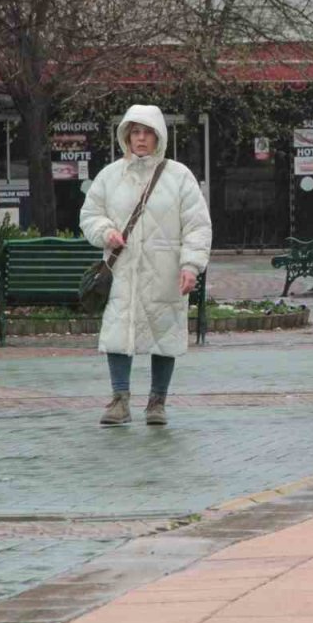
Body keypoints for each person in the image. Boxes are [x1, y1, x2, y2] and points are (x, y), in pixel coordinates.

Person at [81, 105, 212, 427]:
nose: (140, 139)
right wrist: (105, 232)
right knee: (117, 332)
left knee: (164, 333)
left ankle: (157, 402)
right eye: (135, 132)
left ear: (158, 137)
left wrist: (191, 266)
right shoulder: (110, 175)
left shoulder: (179, 176)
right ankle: (119, 400)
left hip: (165, 270)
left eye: (147, 133)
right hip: (122, 269)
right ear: (126, 136)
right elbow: (90, 214)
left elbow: (197, 225)